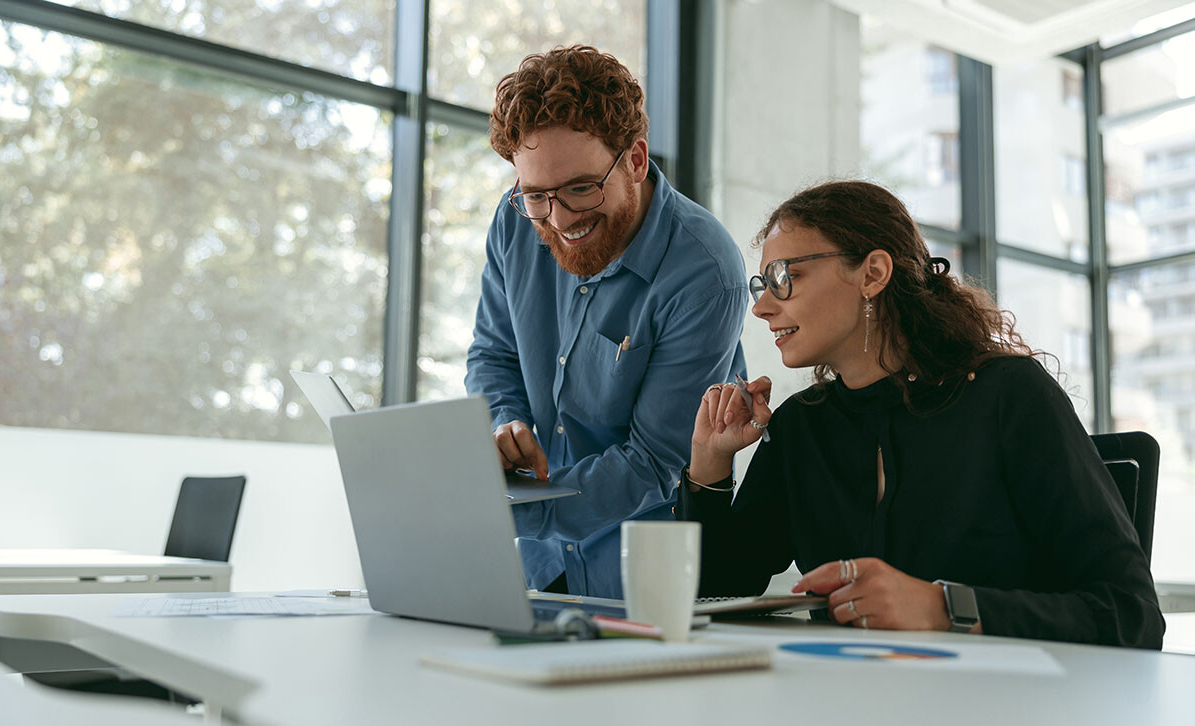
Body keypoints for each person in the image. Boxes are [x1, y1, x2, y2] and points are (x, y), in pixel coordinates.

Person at [677, 180, 1165, 649]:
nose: (761, 307)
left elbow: (1131, 613)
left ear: (873, 274)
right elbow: (717, 594)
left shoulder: (1009, 397)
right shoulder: (800, 427)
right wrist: (710, 466)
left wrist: (945, 608)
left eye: (785, 277)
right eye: (762, 284)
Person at [466, 45, 748, 598]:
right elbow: (494, 355)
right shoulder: (514, 222)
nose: (560, 218)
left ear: (636, 160)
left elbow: (654, 462)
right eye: (536, 196)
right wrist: (506, 425)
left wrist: (502, 512)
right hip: (539, 568)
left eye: (580, 188)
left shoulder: (705, 270)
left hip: (642, 578)